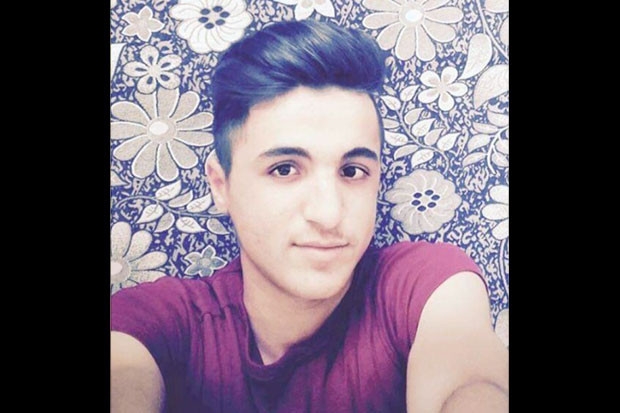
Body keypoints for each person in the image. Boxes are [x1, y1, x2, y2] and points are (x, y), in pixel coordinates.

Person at [111, 19, 508, 413]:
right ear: (221, 185)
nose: (328, 213)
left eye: (352, 171)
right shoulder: (158, 321)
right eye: (284, 169)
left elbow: (470, 377)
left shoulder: (422, 287)